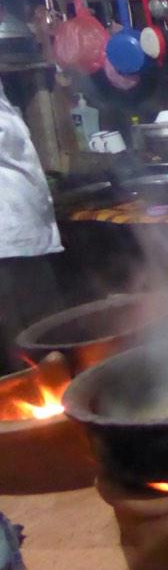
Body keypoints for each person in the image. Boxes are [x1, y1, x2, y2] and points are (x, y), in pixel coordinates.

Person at [0, 77, 63, 373]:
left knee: (46, 333)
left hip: (26, 238)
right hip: (9, 244)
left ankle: (55, 398)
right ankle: (41, 406)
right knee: (30, 340)